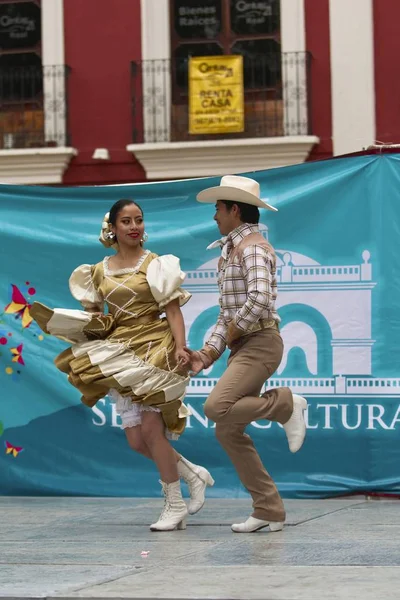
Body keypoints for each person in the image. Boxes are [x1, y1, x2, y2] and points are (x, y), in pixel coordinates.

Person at [31, 199, 214, 531]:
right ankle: (191, 473)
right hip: (119, 353)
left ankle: (174, 505)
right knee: (135, 441)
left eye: (139, 220)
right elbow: (94, 316)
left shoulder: (155, 264)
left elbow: (173, 311)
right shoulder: (97, 271)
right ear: (112, 228)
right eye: (127, 221)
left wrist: (179, 348)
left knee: (150, 430)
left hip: (156, 349)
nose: (134, 227)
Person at [185, 175, 307, 534]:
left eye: (218, 209)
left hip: (261, 343)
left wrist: (235, 330)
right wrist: (207, 354)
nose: (214, 217)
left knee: (214, 408)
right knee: (227, 431)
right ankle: (268, 508)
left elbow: (260, 299)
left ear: (234, 210)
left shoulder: (253, 247)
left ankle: (286, 405)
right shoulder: (231, 250)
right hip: (246, 345)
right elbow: (227, 316)